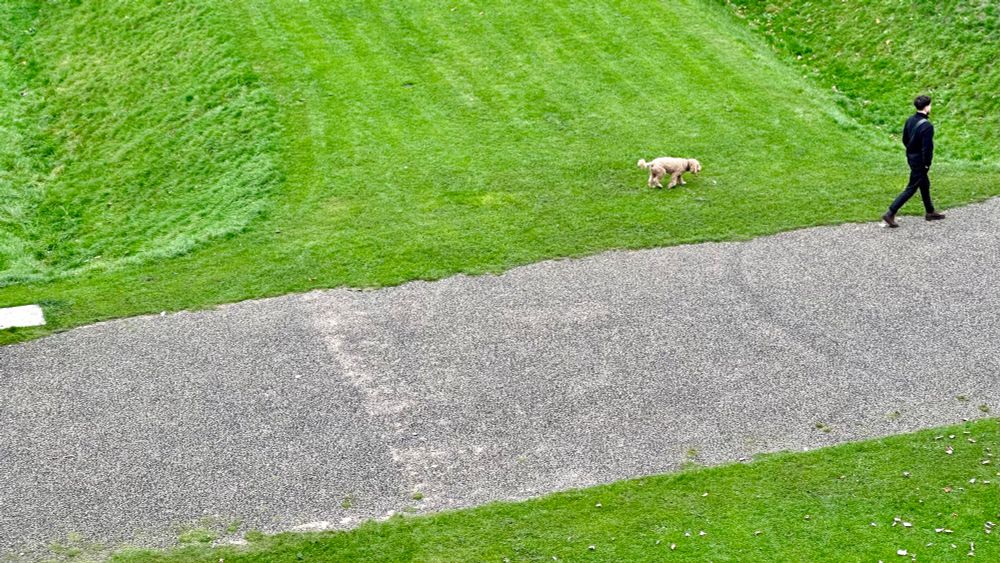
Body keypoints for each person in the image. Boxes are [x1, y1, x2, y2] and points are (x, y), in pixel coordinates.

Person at [882, 95, 946, 227]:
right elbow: (927, 148)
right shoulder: (927, 126)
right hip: (920, 161)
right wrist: (927, 163)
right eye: (930, 105)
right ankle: (890, 212)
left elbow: (905, 139)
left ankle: (930, 211)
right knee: (911, 188)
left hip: (911, 157)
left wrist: (911, 151)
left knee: (924, 184)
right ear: (927, 107)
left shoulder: (910, 120)